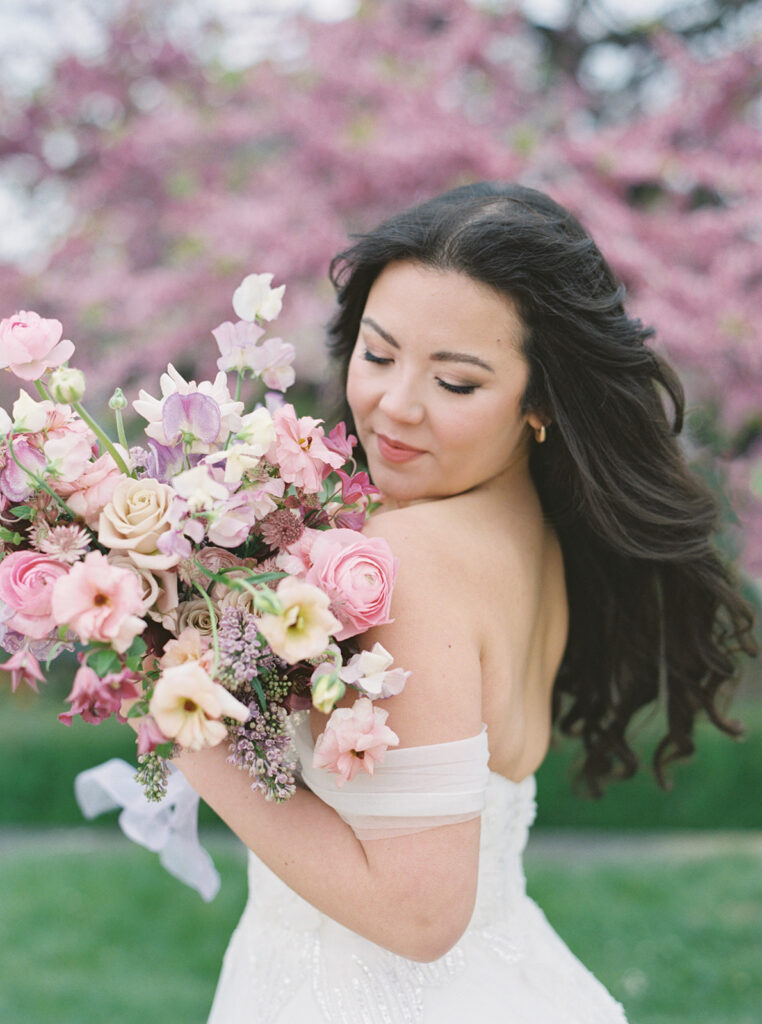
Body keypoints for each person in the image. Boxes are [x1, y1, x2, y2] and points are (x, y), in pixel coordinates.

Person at [174, 182, 757, 1023]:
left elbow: (420, 917)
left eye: (455, 382)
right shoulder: (529, 533)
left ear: (541, 402)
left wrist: (198, 744)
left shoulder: (411, 560)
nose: (395, 405)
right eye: (378, 355)